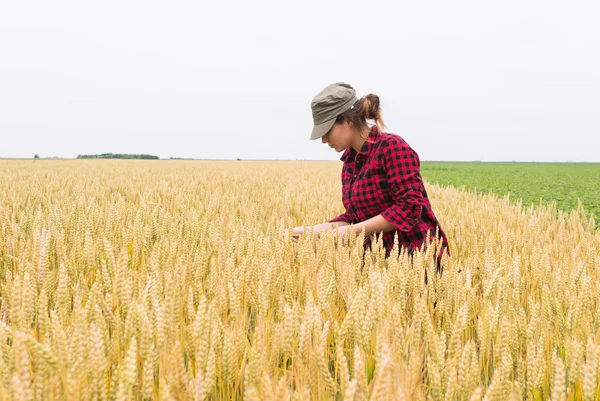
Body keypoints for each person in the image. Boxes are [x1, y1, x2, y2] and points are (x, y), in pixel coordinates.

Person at [284, 82, 449, 272]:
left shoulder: (392, 147)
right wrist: (311, 231)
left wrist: (353, 231)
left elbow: (409, 207)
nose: (323, 140)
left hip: (420, 260)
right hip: (381, 264)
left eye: (327, 130)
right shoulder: (350, 162)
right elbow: (356, 217)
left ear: (348, 121)